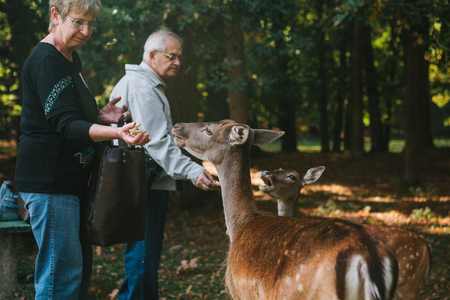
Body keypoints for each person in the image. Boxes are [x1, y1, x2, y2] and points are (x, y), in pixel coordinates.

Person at [14, 0, 150, 299]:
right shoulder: (47, 60)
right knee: (60, 280)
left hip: (71, 184)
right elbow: (65, 125)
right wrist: (116, 133)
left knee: (76, 275)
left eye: (92, 23)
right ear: (55, 15)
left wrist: (100, 117)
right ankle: (8, 200)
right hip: (50, 184)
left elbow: (67, 116)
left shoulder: (70, 58)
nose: (86, 31)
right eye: (78, 22)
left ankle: (8, 200)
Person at [109, 27, 218, 300]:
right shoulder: (143, 88)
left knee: (142, 254)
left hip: (142, 179)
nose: (178, 63)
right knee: (144, 256)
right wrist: (194, 171)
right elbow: (156, 144)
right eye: (172, 56)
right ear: (152, 54)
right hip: (141, 180)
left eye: (179, 57)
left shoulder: (145, 84)